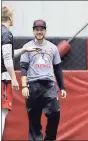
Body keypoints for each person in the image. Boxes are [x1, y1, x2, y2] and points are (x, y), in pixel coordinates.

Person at [20, 19, 67, 141]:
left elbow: (57, 68)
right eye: (37, 29)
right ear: (33, 31)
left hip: (49, 85)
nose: (39, 31)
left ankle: (49, 138)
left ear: (45, 31)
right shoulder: (27, 47)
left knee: (55, 112)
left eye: (41, 29)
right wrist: (24, 86)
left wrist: (62, 87)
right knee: (34, 120)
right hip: (33, 85)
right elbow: (24, 68)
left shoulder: (53, 48)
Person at [1, 6, 40, 137]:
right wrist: (13, 78)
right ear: (10, 17)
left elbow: (7, 53)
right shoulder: (6, 33)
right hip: (3, 79)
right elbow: (6, 57)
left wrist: (24, 50)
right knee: (2, 113)